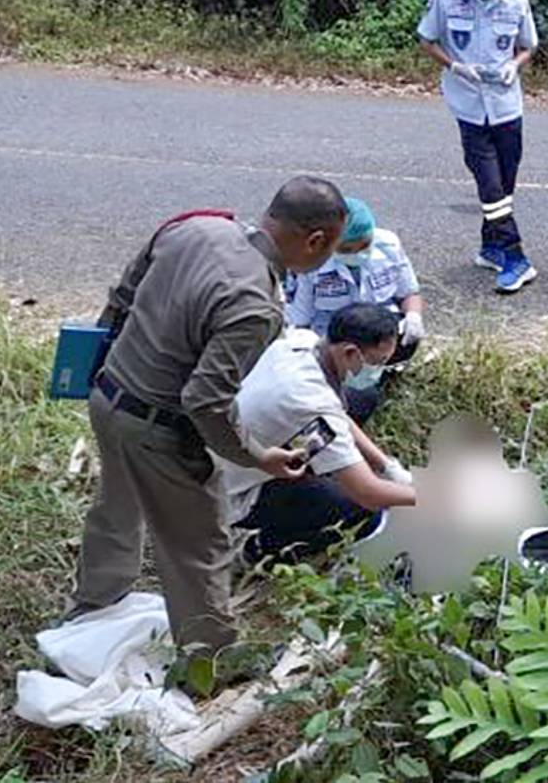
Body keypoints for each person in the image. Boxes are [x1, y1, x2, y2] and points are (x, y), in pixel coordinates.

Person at [68, 177, 347, 657]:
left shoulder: (197, 227)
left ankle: (91, 608)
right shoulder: (255, 305)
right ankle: (210, 660)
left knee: (118, 507)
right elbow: (205, 400)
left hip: (110, 394)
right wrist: (259, 457)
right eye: (329, 249)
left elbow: (123, 294)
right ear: (315, 240)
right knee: (200, 548)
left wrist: (106, 366)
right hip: (158, 428)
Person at [220, 304, 417, 566]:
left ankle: (326, 467)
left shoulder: (301, 343)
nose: (379, 370)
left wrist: (387, 467)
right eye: (378, 363)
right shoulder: (309, 402)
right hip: (231, 491)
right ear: (350, 352)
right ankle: (261, 551)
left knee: (363, 397)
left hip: (236, 444)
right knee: (358, 510)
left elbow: (336, 414)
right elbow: (368, 493)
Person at [417, 0, 540, 293]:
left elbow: (528, 45)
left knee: (504, 182)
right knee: (489, 184)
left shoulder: (516, 0)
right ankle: (517, 257)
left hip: (506, 104)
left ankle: (491, 247)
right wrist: (454, 65)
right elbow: (427, 39)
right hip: (468, 105)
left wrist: (513, 67)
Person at [286, 197, 426, 423]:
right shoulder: (311, 261)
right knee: (357, 402)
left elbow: (409, 293)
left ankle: (379, 372)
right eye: (348, 249)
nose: (359, 253)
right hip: (332, 344)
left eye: (364, 244)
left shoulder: (388, 245)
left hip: (379, 336)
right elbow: (299, 323)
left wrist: (413, 317)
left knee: (407, 340)